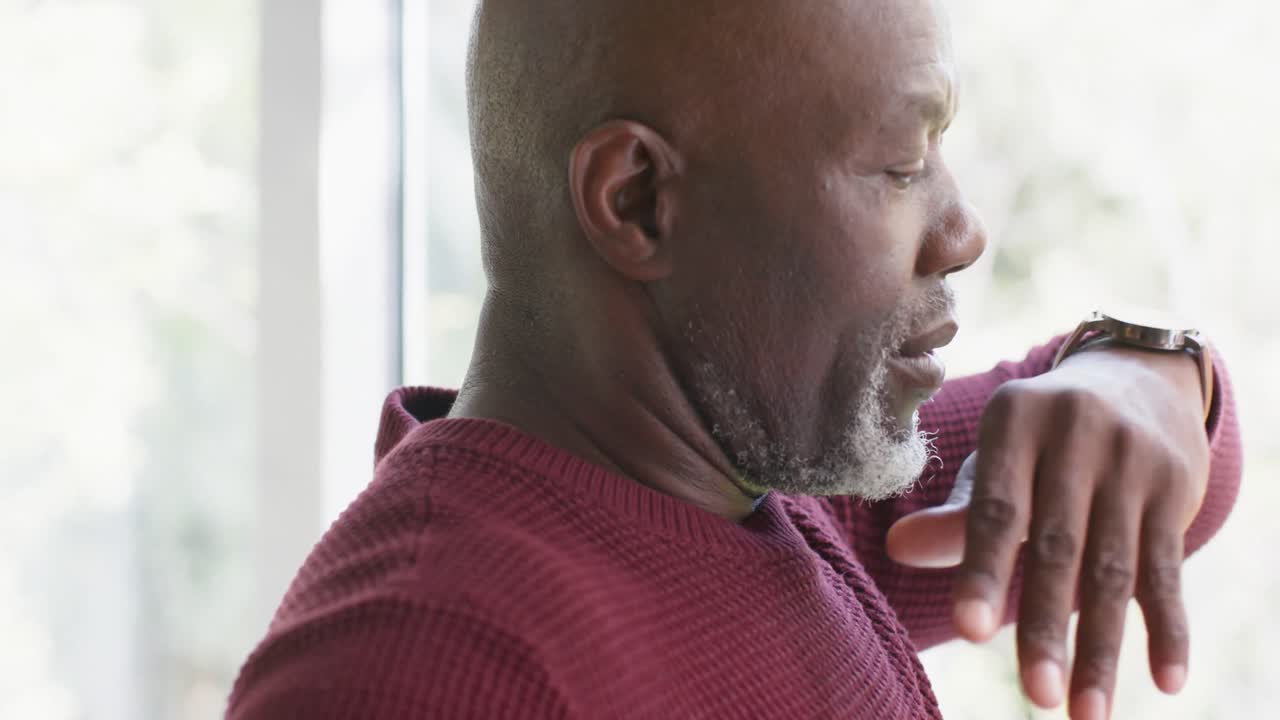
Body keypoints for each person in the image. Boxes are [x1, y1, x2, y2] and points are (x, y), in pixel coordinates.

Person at [227, 0, 1242, 718]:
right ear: (637, 201)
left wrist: (1143, 367)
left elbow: (1172, 475)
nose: (961, 231)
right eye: (897, 165)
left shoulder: (771, 485)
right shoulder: (420, 670)